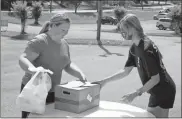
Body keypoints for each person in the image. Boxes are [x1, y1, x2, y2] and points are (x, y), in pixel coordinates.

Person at [92, 14, 176, 118]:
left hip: (164, 89)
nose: (122, 32)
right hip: (156, 90)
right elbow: (125, 71)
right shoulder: (134, 48)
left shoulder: (146, 48)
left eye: (123, 29)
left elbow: (155, 79)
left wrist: (135, 94)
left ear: (132, 28)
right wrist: (103, 82)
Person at [19, 13, 87, 118]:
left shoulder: (64, 44)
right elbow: (23, 58)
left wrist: (80, 74)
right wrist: (33, 70)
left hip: (53, 91)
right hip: (34, 91)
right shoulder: (40, 41)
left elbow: (67, 64)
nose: (66, 33)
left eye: (67, 30)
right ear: (54, 26)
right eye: (63, 30)